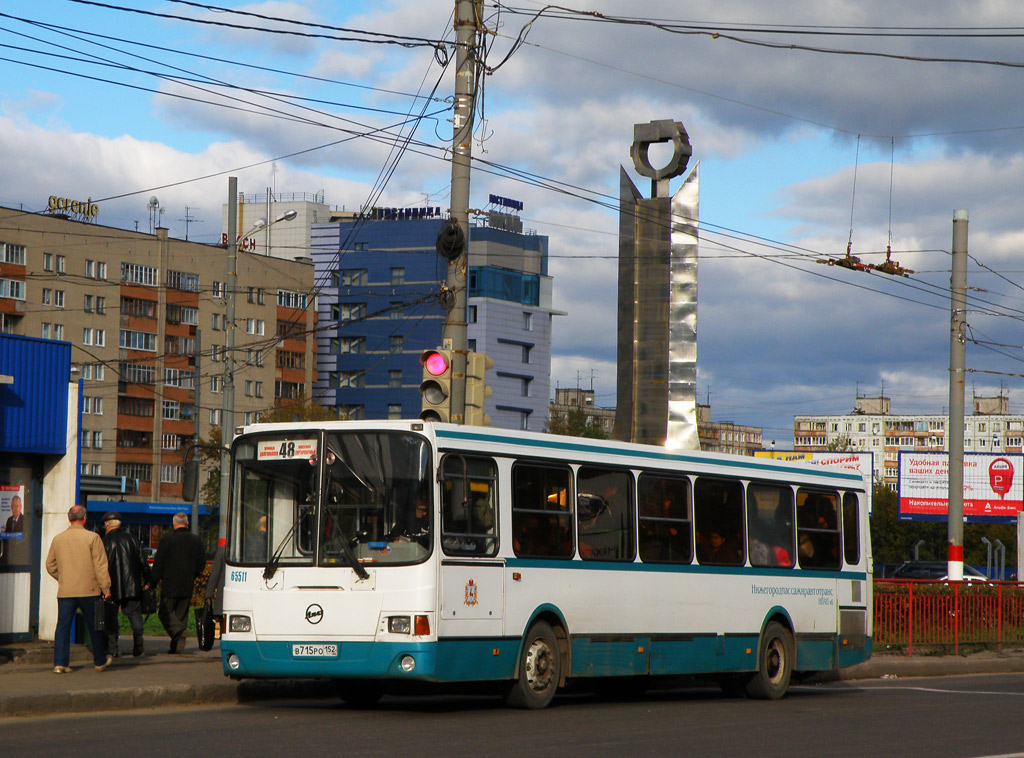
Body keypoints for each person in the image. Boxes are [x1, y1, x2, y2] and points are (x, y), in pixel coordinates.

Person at [45, 505, 113, 674]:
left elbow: (50, 565)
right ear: (84, 519)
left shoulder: (58, 539)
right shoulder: (93, 538)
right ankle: (99, 661)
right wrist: (105, 587)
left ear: (69, 519)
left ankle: (60, 663)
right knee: (95, 626)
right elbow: (100, 566)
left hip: (66, 591)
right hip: (89, 590)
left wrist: (63, 578)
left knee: (63, 627)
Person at [151, 512, 206, 654]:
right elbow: (202, 563)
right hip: (187, 583)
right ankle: (176, 645)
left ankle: (179, 632)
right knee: (182, 614)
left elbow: (159, 564)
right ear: (187, 523)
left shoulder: (167, 540)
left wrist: (152, 581)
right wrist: (194, 574)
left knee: (164, 612)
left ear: (174, 523)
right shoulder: (196, 540)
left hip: (170, 583)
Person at [101, 511, 151, 657]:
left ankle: (112, 649)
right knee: (135, 615)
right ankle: (139, 646)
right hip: (132, 586)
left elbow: (100, 565)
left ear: (106, 525)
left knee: (110, 617)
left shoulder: (104, 542)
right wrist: (148, 580)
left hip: (111, 587)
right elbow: (143, 563)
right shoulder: (132, 539)